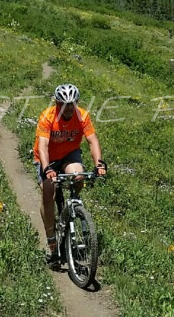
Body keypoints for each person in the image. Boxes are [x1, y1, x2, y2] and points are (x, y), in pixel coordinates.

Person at [34, 83, 106, 266]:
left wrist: (99, 164)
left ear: (76, 103)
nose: (68, 108)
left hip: (69, 154)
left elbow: (92, 140)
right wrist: (47, 169)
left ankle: (74, 204)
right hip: (48, 157)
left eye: (71, 104)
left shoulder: (83, 116)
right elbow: (43, 146)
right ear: (57, 104)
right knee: (48, 193)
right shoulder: (47, 116)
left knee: (78, 176)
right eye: (63, 104)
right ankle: (52, 242)